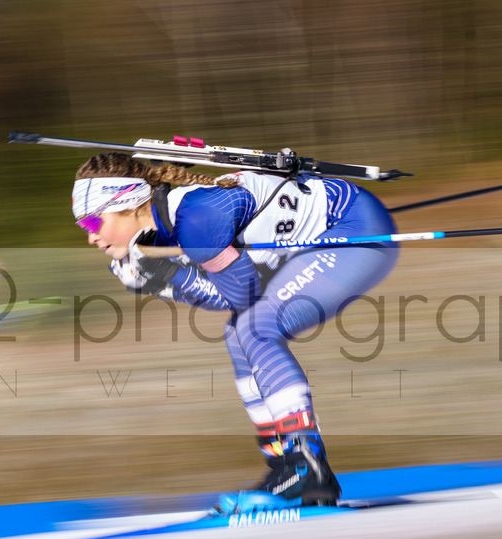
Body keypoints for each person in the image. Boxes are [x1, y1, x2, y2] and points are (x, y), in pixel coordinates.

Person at [71, 152, 398, 513]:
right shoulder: (165, 223)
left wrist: (167, 277)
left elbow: (237, 294)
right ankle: (286, 467)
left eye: (91, 222)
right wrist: (163, 279)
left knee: (257, 328)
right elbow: (234, 296)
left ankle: (307, 465)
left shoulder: (196, 220)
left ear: (128, 203)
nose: (91, 237)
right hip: (329, 230)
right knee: (239, 333)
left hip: (354, 229)